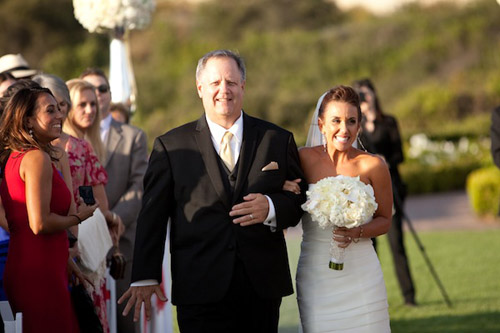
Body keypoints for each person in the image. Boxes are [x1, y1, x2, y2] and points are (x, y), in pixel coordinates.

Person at [118, 49, 307, 332]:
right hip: (199, 286)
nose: (224, 90)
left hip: (261, 287)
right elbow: (152, 215)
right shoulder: (171, 146)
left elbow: (298, 199)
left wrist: (271, 207)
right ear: (200, 89)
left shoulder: (277, 139)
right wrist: (145, 276)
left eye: (231, 82)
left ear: (243, 86)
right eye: (215, 83)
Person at [286, 85, 392, 332]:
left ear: (359, 125)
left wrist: (356, 232)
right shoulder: (301, 159)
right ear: (321, 124)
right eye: (336, 120)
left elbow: (385, 220)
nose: (344, 129)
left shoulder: (373, 165)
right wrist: (284, 185)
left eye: (351, 121)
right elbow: (282, 199)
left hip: (362, 275)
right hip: (316, 276)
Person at [0, 86, 97, 332]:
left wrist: (65, 260)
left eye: (59, 109)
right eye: (50, 110)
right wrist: (79, 216)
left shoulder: (18, 156)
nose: (59, 116)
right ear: (29, 119)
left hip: (40, 264)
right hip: (38, 272)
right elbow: (38, 223)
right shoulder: (36, 159)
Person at [80, 68, 148, 333]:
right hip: (84, 243)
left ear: (110, 94)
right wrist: (95, 223)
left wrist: (115, 219)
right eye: (90, 89)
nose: (97, 95)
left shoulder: (134, 136)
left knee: (126, 319)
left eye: (103, 89)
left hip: (125, 241)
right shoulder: (70, 140)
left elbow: (139, 186)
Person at [353, 78, 417, 306]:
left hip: (391, 188)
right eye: (359, 95)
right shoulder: (354, 126)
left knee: (396, 243)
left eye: (366, 93)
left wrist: (384, 161)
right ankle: (373, 298)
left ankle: (409, 296)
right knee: (370, 247)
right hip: (365, 193)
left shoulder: (388, 122)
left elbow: (400, 155)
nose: (364, 98)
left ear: (374, 95)